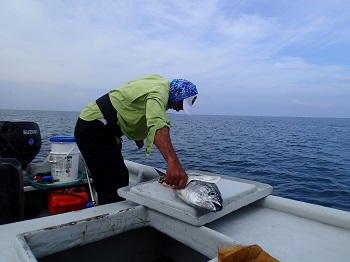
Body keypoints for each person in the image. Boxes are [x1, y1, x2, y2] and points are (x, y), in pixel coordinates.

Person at [74, 74, 198, 204]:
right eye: (181, 104)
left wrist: (137, 136)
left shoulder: (158, 81)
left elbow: (132, 105)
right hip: (94, 129)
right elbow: (158, 125)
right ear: (178, 93)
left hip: (104, 131)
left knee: (121, 177)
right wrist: (173, 164)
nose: (179, 109)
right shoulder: (158, 93)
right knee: (112, 185)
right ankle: (109, 217)